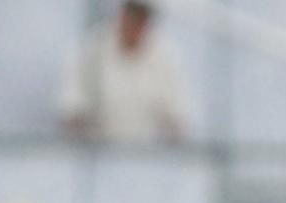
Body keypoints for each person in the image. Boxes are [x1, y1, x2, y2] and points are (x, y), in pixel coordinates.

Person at [58, 0, 193, 143]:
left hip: (148, 157)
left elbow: (178, 117)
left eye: (142, 16)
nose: (135, 23)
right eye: (131, 13)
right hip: (97, 156)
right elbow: (70, 111)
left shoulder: (165, 56)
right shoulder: (91, 49)